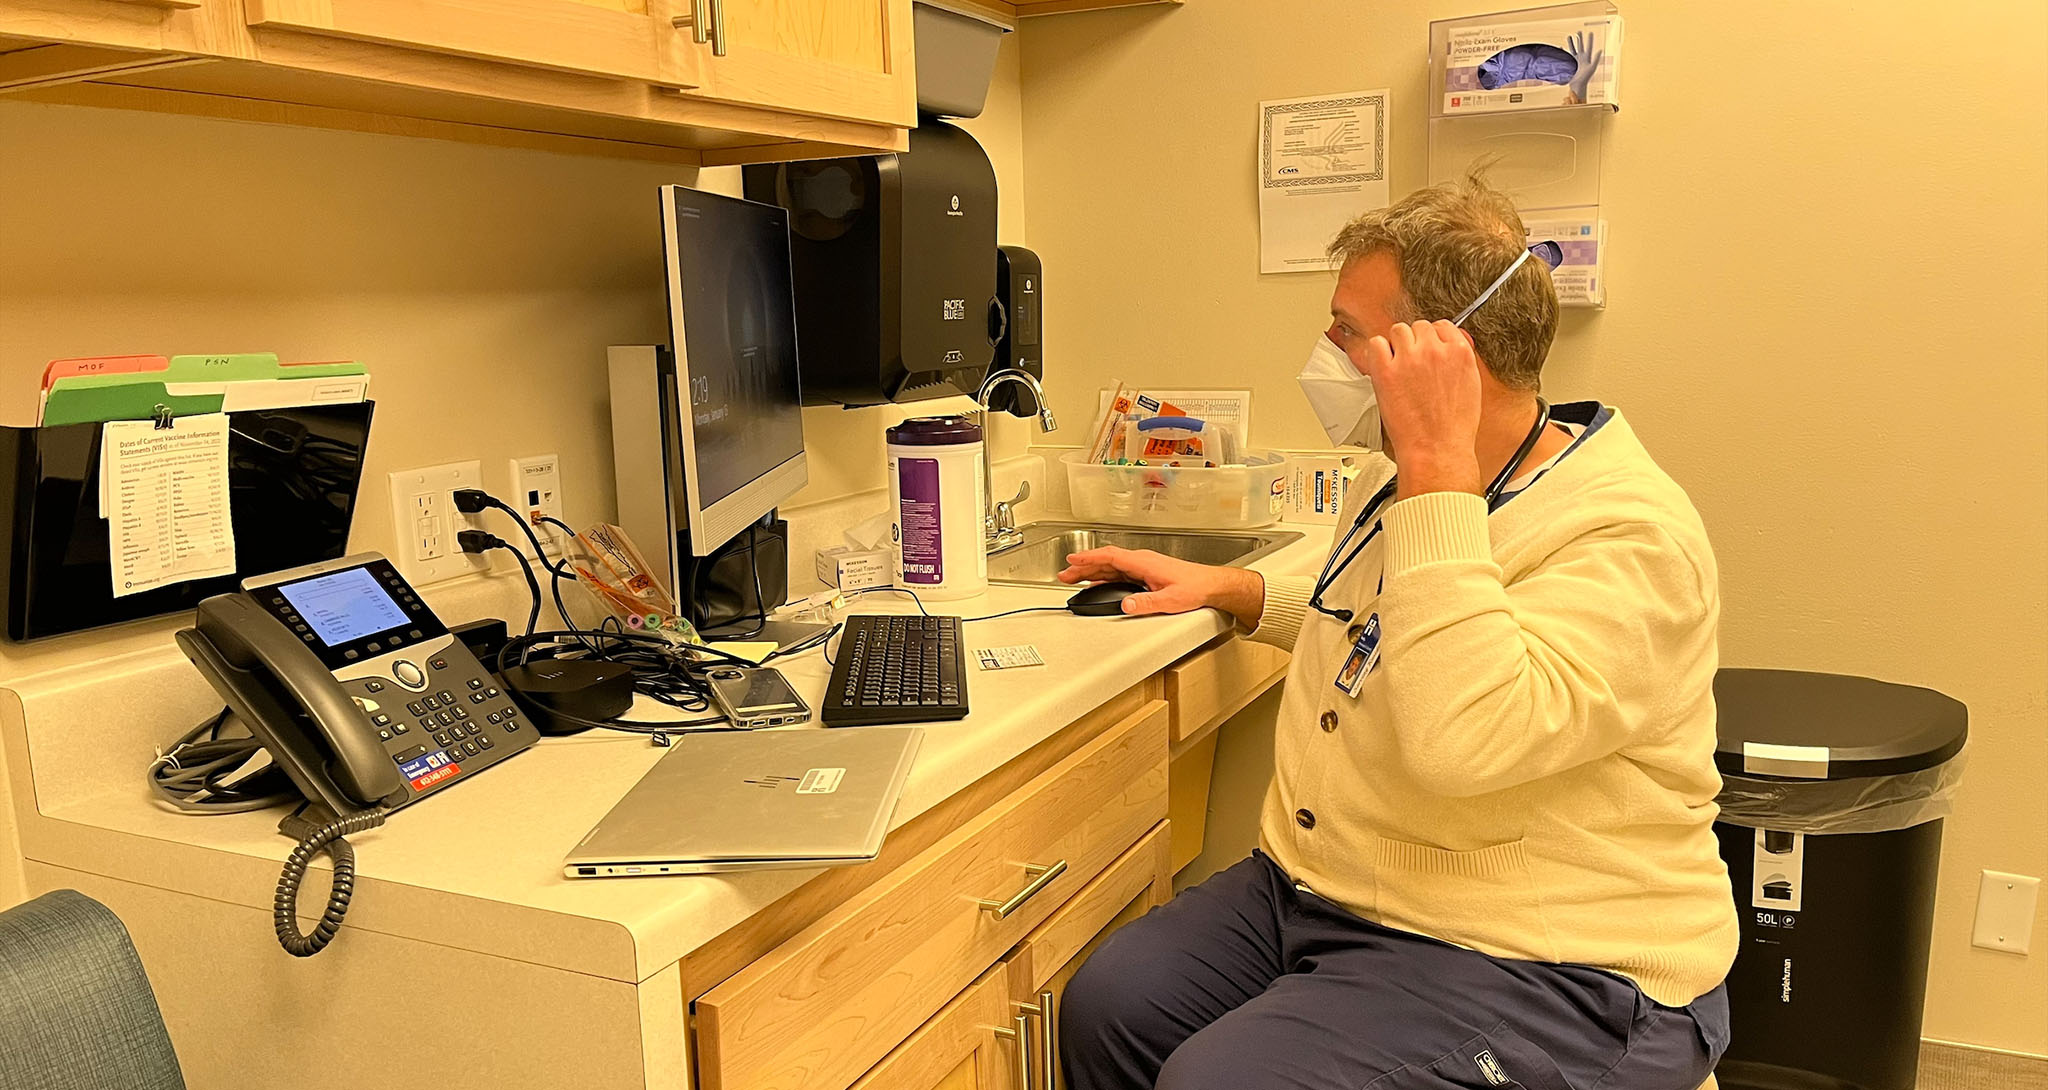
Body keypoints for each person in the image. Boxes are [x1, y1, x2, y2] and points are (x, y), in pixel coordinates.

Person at [1055, 175, 1738, 1090]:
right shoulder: (1416, 487)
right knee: (1113, 1002)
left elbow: (1466, 734)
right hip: (1337, 892)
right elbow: (1399, 632)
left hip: (1555, 956)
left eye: (1348, 331)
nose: (1327, 354)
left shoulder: (1628, 532)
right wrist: (1245, 591)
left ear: (1442, 356)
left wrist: (1437, 466)